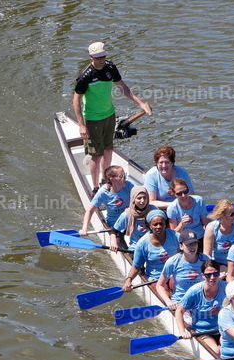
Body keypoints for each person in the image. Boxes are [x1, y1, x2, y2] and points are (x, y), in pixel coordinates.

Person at [72, 42, 151, 189]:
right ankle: (95, 188)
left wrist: (141, 103)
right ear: (91, 57)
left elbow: (123, 88)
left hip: (109, 115)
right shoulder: (85, 76)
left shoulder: (110, 68)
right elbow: (76, 100)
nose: (101, 60)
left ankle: (105, 179)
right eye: (98, 57)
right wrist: (82, 125)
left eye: (103, 56)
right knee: (96, 155)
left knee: (108, 149)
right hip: (92, 119)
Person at [176, 259, 225, 353]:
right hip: (202, 331)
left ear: (219, 274)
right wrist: (182, 332)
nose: (212, 278)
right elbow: (179, 311)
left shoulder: (226, 287)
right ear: (202, 275)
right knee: (216, 351)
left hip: (222, 328)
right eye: (208, 275)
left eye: (215, 274)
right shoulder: (194, 291)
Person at [123, 209, 179, 288]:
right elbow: (136, 266)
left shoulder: (175, 235)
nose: (159, 227)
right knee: (164, 293)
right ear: (149, 226)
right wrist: (128, 280)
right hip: (156, 278)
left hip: (175, 274)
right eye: (155, 224)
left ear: (165, 224)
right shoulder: (142, 244)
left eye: (161, 224)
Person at [155, 230, 209, 309]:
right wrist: (168, 301)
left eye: (194, 243)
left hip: (201, 302)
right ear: (181, 246)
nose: (193, 247)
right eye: (189, 244)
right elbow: (159, 285)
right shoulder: (173, 262)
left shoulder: (206, 260)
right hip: (181, 303)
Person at [79, 165, 134, 240]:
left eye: (125, 175)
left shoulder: (129, 185)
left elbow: (141, 193)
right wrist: (84, 228)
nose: (125, 178)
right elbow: (90, 210)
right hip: (115, 225)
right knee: (119, 242)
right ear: (112, 179)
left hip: (130, 221)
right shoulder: (103, 192)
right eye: (122, 176)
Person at [203, 199, 234, 268]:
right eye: (231, 214)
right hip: (218, 264)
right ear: (222, 216)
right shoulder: (211, 228)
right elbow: (207, 255)